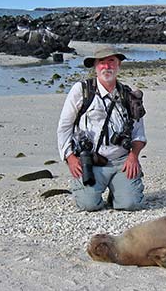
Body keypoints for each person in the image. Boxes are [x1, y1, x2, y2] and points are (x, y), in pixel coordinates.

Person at [57, 46, 147, 211]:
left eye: (111, 61)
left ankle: (119, 190)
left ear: (118, 65)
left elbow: (139, 134)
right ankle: (96, 190)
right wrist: (70, 157)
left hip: (122, 160)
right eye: (102, 63)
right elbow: (64, 126)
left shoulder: (129, 95)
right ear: (95, 67)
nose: (107, 66)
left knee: (131, 204)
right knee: (88, 205)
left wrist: (133, 156)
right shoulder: (82, 90)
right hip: (91, 160)